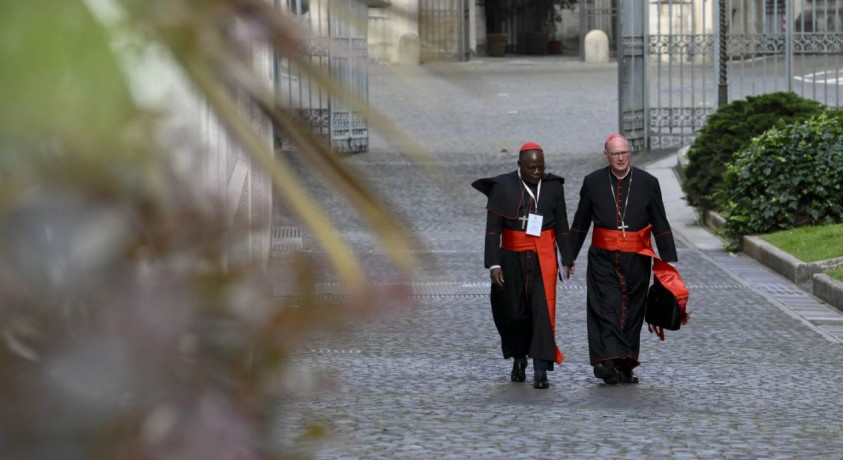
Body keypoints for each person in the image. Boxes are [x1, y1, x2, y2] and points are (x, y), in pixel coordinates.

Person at [569, 133, 678, 385]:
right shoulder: (593, 182)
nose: (621, 158)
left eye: (625, 153)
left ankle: (626, 364)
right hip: (602, 259)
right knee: (607, 306)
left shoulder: (648, 182)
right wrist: (569, 257)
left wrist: (668, 259)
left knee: (633, 312)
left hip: (637, 258)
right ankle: (606, 362)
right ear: (605, 155)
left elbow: (660, 221)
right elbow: (580, 223)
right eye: (616, 153)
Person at [472, 142, 575, 389]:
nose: (537, 172)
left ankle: (541, 369)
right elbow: (492, 230)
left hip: (542, 258)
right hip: (511, 259)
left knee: (542, 311)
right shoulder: (503, 187)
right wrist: (494, 264)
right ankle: (519, 359)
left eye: (541, 167)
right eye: (532, 168)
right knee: (514, 313)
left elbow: (561, 225)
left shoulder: (553, 187)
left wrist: (568, 259)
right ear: (520, 166)